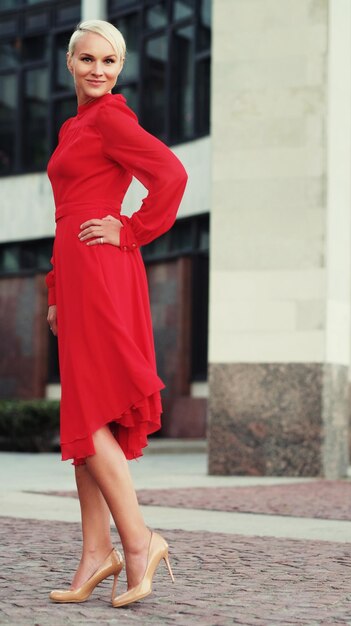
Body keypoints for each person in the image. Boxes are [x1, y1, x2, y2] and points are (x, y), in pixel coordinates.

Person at [45, 20, 187, 608]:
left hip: (104, 271)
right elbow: (63, 213)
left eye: (109, 60)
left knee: (87, 413)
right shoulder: (72, 125)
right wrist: (54, 290)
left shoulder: (109, 119)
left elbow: (172, 176)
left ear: (120, 68)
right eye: (87, 59)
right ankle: (93, 553)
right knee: (87, 414)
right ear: (70, 64)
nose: (98, 69)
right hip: (75, 275)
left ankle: (138, 540)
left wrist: (130, 227)